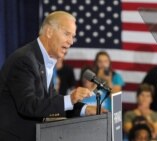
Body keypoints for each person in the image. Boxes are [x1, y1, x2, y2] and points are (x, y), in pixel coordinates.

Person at [0, 11, 104, 141]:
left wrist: (85, 109)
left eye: (73, 36)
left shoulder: (43, 59)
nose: (71, 41)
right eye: (67, 34)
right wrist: (70, 99)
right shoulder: (24, 60)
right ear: (49, 32)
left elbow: (51, 99)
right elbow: (28, 105)